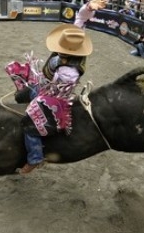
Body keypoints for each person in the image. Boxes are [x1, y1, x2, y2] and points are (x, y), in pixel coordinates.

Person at [7, 24, 92, 174]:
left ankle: (35, 158)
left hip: (55, 97)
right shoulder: (71, 55)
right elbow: (78, 27)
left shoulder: (69, 70)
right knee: (27, 91)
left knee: (30, 126)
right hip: (49, 88)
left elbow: (58, 84)